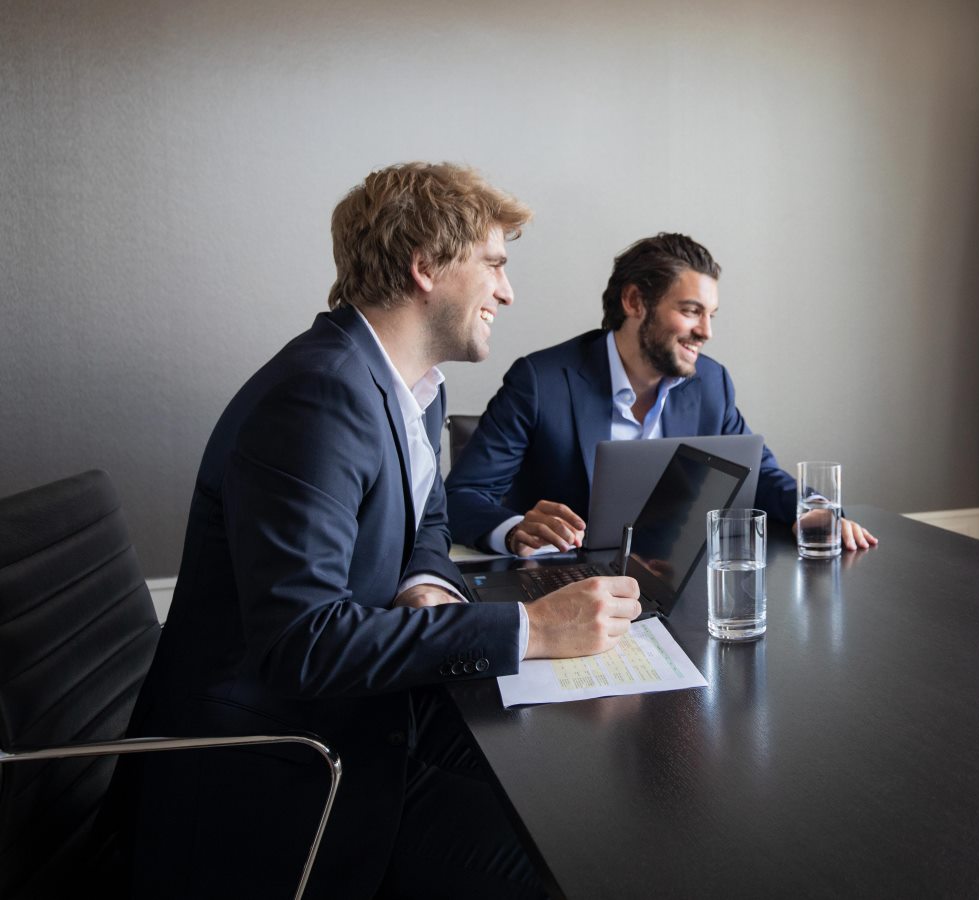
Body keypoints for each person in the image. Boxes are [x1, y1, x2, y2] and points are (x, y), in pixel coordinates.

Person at [118, 163, 640, 899]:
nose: (507, 291)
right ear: (425, 266)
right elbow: (300, 645)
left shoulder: (413, 383)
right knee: (563, 865)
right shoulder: (319, 395)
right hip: (277, 773)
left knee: (578, 804)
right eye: (493, 264)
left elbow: (427, 521)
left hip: (364, 721)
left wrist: (425, 584)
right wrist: (529, 628)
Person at [446, 232, 878, 556]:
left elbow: (759, 474)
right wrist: (517, 528)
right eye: (691, 311)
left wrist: (810, 509)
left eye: (710, 315)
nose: (706, 332)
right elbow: (462, 497)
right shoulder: (540, 381)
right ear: (635, 302)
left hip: (678, 581)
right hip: (568, 585)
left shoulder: (712, 384)